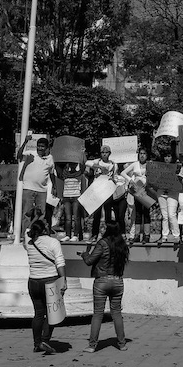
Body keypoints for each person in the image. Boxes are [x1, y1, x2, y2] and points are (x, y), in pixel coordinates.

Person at [81, 222, 130, 352]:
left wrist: (85, 253)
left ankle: (92, 345)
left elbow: (89, 261)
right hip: (118, 281)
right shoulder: (122, 244)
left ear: (107, 230)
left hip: (102, 281)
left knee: (98, 314)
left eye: (103, 227)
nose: (101, 229)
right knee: (117, 313)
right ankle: (122, 344)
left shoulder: (102, 243)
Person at [24, 218, 66, 354]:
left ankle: (36, 343)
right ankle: (45, 340)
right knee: (51, 314)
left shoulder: (29, 243)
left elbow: (26, 232)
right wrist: (63, 280)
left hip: (33, 281)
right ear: (44, 229)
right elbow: (59, 262)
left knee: (38, 314)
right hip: (50, 280)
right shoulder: (53, 242)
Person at [18, 136, 57, 237]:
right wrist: (25, 142)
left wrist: (54, 187)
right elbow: (19, 155)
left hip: (42, 190)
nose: (40, 148)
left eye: (42, 146)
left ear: (46, 148)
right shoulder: (31, 154)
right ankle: (25, 235)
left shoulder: (50, 159)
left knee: (41, 214)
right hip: (28, 188)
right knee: (27, 212)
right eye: (38, 146)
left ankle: (38, 234)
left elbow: (51, 173)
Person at [86, 146, 117, 239]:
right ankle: (95, 234)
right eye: (102, 152)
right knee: (97, 214)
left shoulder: (113, 164)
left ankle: (108, 234)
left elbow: (115, 176)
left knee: (108, 214)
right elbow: (87, 162)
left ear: (109, 154)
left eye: (106, 152)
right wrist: (99, 167)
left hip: (107, 190)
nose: (104, 154)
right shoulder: (97, 161)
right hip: (98, 190)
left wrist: (113, 179)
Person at [122, 147, 152, 242]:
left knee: (146, 212)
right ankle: (137, 235)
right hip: (137, 188)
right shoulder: (135, 164)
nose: (142, 155)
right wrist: (131, 180)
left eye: (144, 153)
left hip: (146, 189)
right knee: (138, 211)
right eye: (140, 153)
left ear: (147, 155)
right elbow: (123, 173)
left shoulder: (150, 165)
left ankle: (147, 235)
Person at [56, 161, 87, 241]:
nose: (72, 165)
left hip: (76, 197)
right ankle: (68, 235)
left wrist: (81, 154)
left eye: (74, 164)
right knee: (68, 218)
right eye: (71, 164)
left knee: (76, 217)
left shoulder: (79, 173)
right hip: (66, 197)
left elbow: (83, 165)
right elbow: (57, 168)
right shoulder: (65, 173)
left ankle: (75, 235)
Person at [155, 152, 182, 242]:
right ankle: (164, 236)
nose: (167, 158)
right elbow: (154, 179)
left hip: (173, 193)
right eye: (165, 156)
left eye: (169, 156)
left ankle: (176, 235)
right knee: (165, 216)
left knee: (172, 214)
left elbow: (182, 180)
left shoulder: (177, 167)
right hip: (161, 193)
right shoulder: (159, 168)